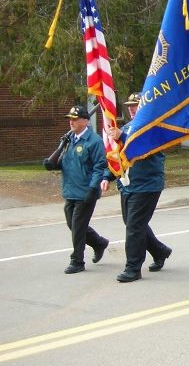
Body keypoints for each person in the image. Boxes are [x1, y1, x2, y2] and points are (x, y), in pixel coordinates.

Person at [101, 92, 172, 283]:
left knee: (134, 226)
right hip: (129, 185)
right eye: (130, 105)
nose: (132, 108)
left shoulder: (153, 128)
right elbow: (119, 158)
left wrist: (122, 136)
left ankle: (133, 268)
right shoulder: (126, 128)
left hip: (147, 185)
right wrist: (108, 176)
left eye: (136, 105)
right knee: (133, 224)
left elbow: (143, 149)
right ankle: (160, 251)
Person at [44, 105, 109, 274]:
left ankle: (77, 260)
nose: (71, 122)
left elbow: (99, 166)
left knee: (78, 226)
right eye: (70, 119)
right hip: (70, 190)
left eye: (75, 119)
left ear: (85, 121)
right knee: (72, 225)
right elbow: (68, 162)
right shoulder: (68, 139)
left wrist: (93, 187)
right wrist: (53, 164)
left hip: (86, 191)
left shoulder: (94, 141)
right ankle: (99, 242)